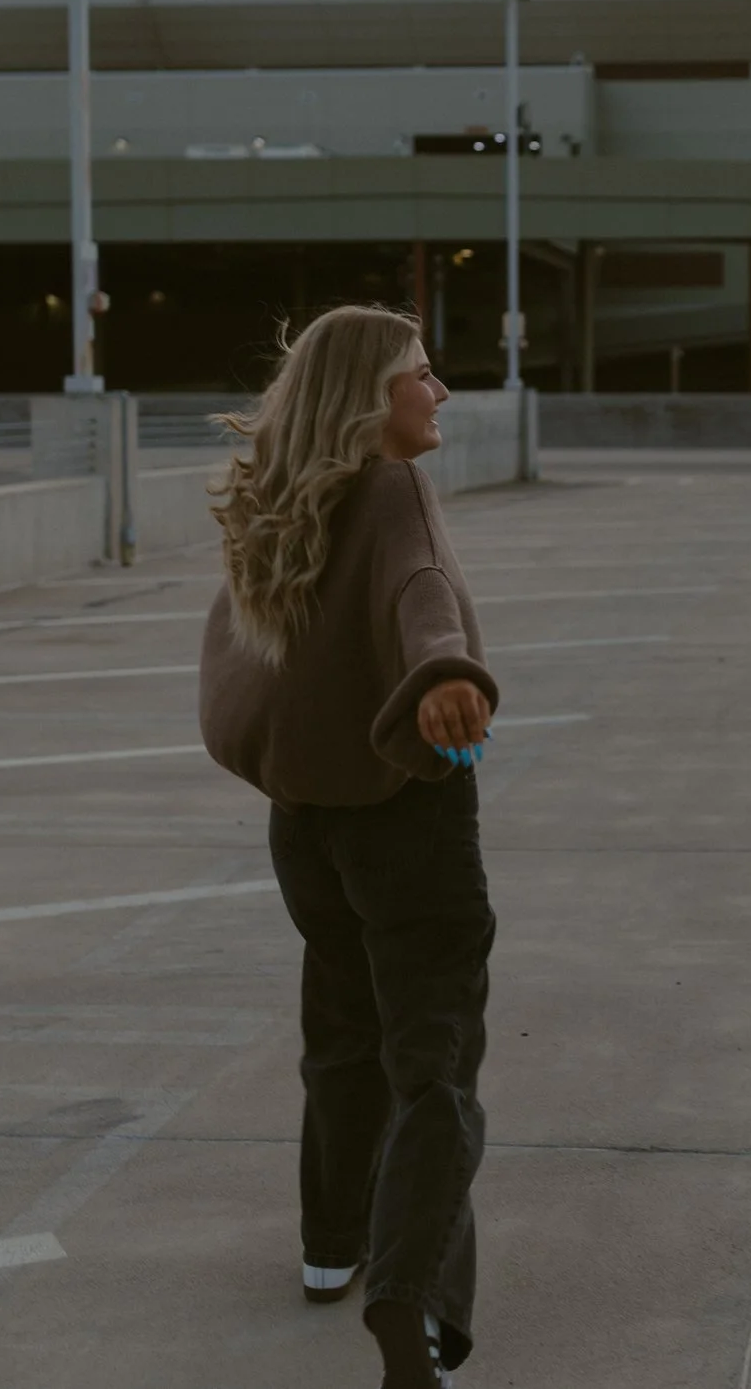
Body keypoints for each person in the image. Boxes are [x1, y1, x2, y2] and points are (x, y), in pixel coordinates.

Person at [198, 304, 497, 1389]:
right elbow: (424, 597)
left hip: (305, 826)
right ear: (371, 397)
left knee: (341, 1024)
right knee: (437, 1059)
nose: (440, 390)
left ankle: (331, 1245)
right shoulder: (391, 488)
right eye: (422, 372)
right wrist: (448, 675)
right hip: (403, 815)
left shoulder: (285, 504)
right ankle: (410, 1292)